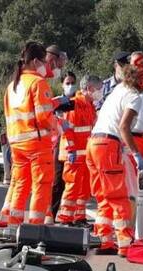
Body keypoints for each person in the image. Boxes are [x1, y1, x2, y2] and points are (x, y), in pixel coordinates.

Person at [86, 64, 143, 256]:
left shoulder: (118, 90)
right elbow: (124, 127)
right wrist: (136, 153)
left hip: (94, 142)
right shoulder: (134, 97)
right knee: (118, 196)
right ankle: (125, 243)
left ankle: (104, 241)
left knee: (105, 196)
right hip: (107, 144)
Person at [0, 41, 63, 226]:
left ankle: (14, 226)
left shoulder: (12, 85)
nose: (46, 66)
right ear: (36, 61)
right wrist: (57, 125)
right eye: (44, 61)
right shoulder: (38, 83)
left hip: (17, 144)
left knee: (20, 185)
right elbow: (44, 116)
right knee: (41, 187)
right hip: (37, 144)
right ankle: (35, 229)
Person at [56, 75, 103, 227]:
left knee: (84, 189)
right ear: (89, 89)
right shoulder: (74, 104)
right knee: (72, 186)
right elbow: (67, 129)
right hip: (74, 154)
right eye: (99, 89)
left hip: (85, 154)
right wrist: (71, 149)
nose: (100, 92)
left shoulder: (89, 105)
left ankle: (79, 217)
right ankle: (65, 219)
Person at [47, 71, 77, 224]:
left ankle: (70, 217)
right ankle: (51, 214)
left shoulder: (79, 101)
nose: (71, 85)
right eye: (67, 83)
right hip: (60, 145)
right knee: (58, 182)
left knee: (73, 183)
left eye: (73, 82)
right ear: (62, 85)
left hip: (76, 148)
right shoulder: (57, 101)